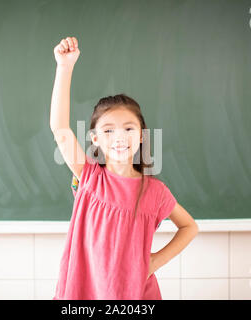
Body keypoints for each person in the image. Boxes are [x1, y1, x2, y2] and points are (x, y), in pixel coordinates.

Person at [50, 36, 199, 300]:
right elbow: (60, 130)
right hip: (84, 294)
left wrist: (154, 261)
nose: (119, 137)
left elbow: (189, 227)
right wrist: (65, 67)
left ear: (141, 135)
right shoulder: (90, 177)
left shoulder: (155, 191)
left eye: (129, 129)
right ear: (94, 138)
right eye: (108, 130)